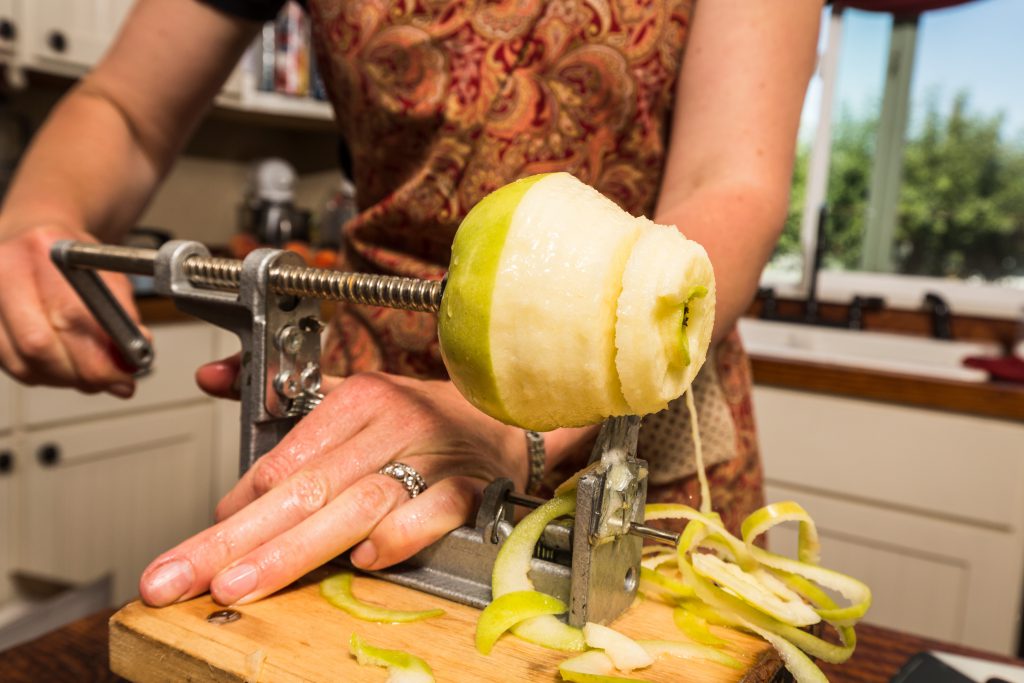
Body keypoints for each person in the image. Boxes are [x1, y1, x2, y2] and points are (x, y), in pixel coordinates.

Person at [0, 0, 822, 608]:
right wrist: (33, 219)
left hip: (632, 412)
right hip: (376, 417)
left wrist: (521, 419)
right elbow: (128, 111)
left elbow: (732, 182)